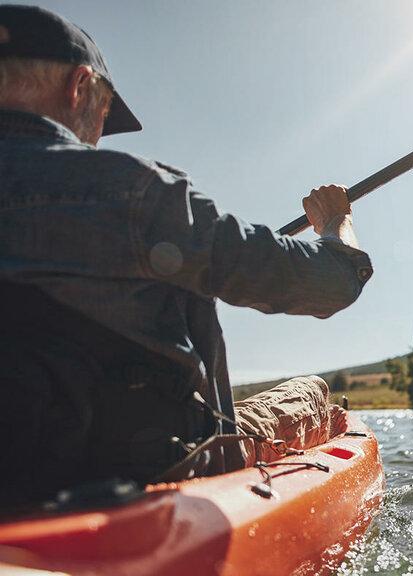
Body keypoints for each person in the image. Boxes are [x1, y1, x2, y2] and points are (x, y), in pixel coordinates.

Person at [0, 6, 371, 505]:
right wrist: (335, 226)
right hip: (158, 477)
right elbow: (332, 284)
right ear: (80, 87)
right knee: (313, 392)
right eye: (103, 114)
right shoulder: (139, 195)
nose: (95, 135)